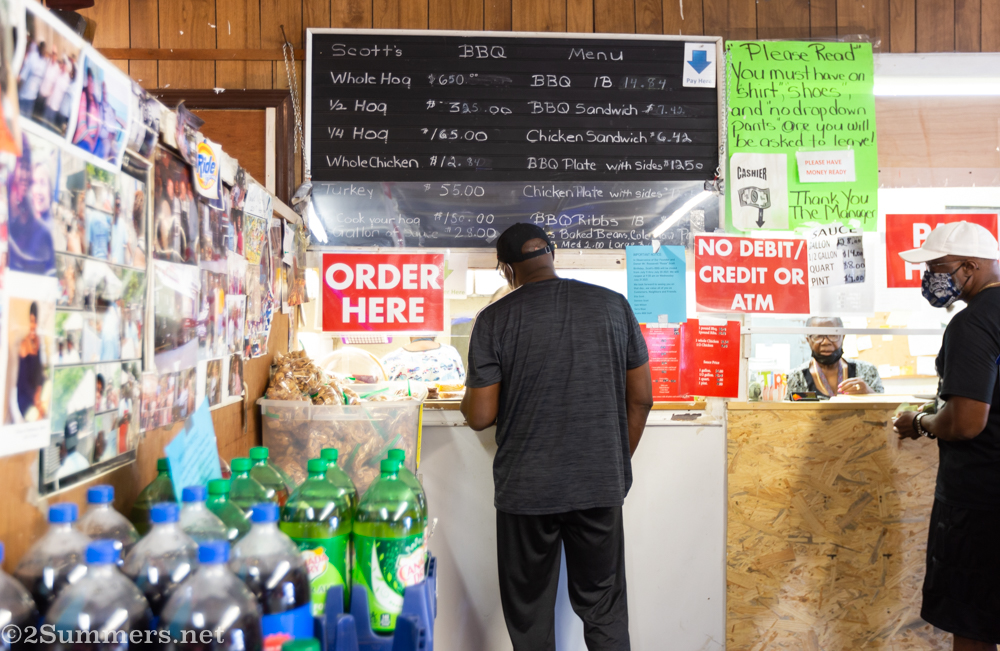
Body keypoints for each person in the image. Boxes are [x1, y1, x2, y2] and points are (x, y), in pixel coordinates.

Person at [460, 223, 653, 651]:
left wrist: (465, 400)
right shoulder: (613, 306)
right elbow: (641, 399)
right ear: (553, 252)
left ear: (506, 270)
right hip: (599, 485)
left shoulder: (494, 320)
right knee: (603, 608)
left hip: (525, 492)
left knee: (530, 615)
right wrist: (615, 462)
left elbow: (480, 416)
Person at [892, 222, 1000, 651]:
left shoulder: (972, 324)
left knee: (974, 626)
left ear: (970, 267)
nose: (929, 277)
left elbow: (965, 421)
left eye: (938, 266)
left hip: (981, 505)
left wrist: (920, 422)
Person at [784, 316, 884, 399]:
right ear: (808, 340)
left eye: (833, 335)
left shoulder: (867, 372)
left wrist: (869, 393)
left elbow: (884, 413)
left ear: (843, 337)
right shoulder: (793, 378)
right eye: (818, 336)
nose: (826, 342)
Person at [12, 302, 46, 422]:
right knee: (38, 418)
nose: (33, 325)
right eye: (31, 321)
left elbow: (40, 373)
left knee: (45, 411)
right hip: (25, 398)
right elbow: (22, 383)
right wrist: (36, 400)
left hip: (36, 395)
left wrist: (39, 393)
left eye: (35, 321)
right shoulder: (23, 345)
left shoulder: (38, 342)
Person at [381, 336, 466, 384]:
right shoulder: (450, 353)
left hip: (405, 414)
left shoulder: (390, 358)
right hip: (447, 414)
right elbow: (462, 387)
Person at [73, 68, 101, 153]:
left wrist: (95, 140)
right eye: (89, 80)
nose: (91, 83)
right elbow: (81, 124)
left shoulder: (95, 100)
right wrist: (91, 142)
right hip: (83, 138)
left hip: (93, 139)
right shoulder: (83, 95)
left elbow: (99, 123)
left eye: (92, 81)